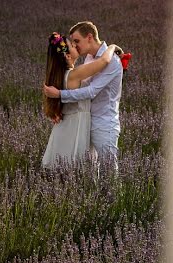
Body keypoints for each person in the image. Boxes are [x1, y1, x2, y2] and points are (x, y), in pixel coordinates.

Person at [43, 21, 123, 173]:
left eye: (76, 41)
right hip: (81, 124)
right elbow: (99, 67)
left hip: (102, 123)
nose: (75, 46)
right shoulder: (86, 63)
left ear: (90, 37)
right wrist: (112, 46)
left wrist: (59, 98)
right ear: (66, 55)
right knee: (83, 170)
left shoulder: (112, 60)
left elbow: (91, 90)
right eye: (72, 44)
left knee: (107, 171)